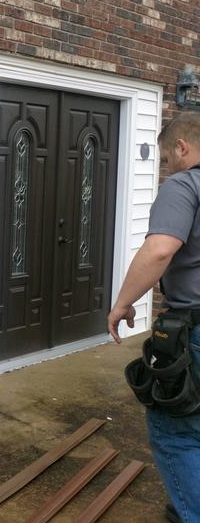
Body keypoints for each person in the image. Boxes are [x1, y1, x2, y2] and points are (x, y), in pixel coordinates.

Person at [108, 110, 200, 523]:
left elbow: (160, 249)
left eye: (166, 158)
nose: (167, 167)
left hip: (195, 329)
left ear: (181, 147)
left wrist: (123, 302)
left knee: (175, 429)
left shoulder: (185, 184)